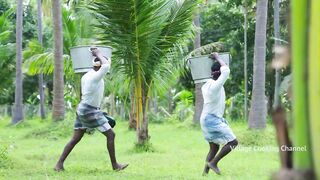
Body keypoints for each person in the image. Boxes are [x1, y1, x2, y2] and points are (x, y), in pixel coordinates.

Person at [54, 47, 128, 172]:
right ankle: (115, 165)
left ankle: (59, 165)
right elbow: (106, 67)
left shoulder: (87, 76)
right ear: (99, 66)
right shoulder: (95, 77)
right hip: (89, 110)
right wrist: (98, 53)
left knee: (75, 138)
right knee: (111, 135)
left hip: (83, 108)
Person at [200, 52, 238, 175]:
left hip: (206, 119)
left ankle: (205, 173)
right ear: (217, 73)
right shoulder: (215, 86)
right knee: (233, 142)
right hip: (212, 119)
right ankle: (213, 163)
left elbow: (223, 70)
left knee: (214, 147)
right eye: (220, 71)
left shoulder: (207, 85)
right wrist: (217, 57)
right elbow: (226, 71)